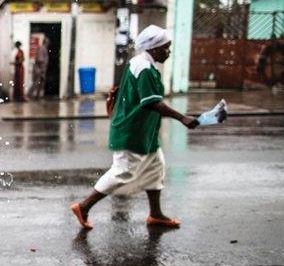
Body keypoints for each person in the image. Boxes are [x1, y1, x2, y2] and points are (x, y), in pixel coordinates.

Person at [71, 25, 199, 230]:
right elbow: (152, 103)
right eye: (166, 47)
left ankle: (156, 214)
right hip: (131, 132)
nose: (168, 51)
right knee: (122, 172)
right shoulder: (145, 69)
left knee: (155, 168)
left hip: (144, 132)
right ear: (154, 48)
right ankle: (84, 206)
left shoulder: (139, 63)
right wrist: (182, 118)